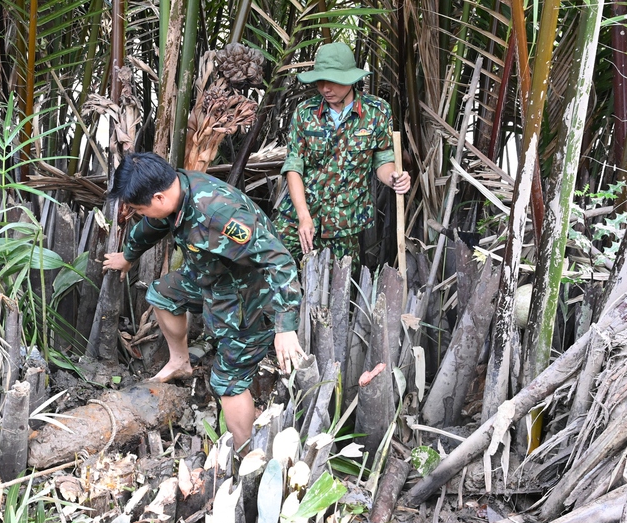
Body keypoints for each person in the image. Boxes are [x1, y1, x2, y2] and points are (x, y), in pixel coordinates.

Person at [102, 152, 304, 452]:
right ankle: (180, 362)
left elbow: (279, 261)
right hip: (211, 279)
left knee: (228, 383)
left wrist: (285, 326)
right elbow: (154, 225)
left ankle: (246, 454)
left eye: (139, 209)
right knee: (162, 293)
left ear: (158, 198)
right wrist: (128, 256)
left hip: (249, 298)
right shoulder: (176, 191)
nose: (140, 214)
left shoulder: (219, 214)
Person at [273, 42, 412, 260]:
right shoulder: (305, 113)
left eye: (333, 81)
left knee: (336, 287)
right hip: (297, 217)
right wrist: (303, 216)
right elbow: (294, 166)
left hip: (344, 223)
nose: (325, 88)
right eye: (320, 81)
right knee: (273, 270)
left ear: (350, 78)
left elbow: (382, 160)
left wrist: (395, 179)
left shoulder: (376, 111)